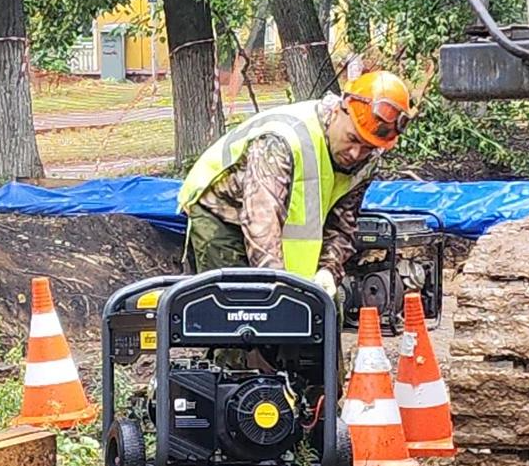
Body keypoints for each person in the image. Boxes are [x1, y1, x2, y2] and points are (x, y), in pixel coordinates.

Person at [177, 70, 413, 301]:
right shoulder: (282, 141)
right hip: (224, 217)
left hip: (281, 234)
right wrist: (280, 293)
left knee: (323, 316)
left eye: (368, 147)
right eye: (352, 138)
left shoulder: (367, 161)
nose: (355, 153)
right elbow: (262, 222)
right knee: (243, 311)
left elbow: (342, 225)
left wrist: (328, 271)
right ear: (340, 110)